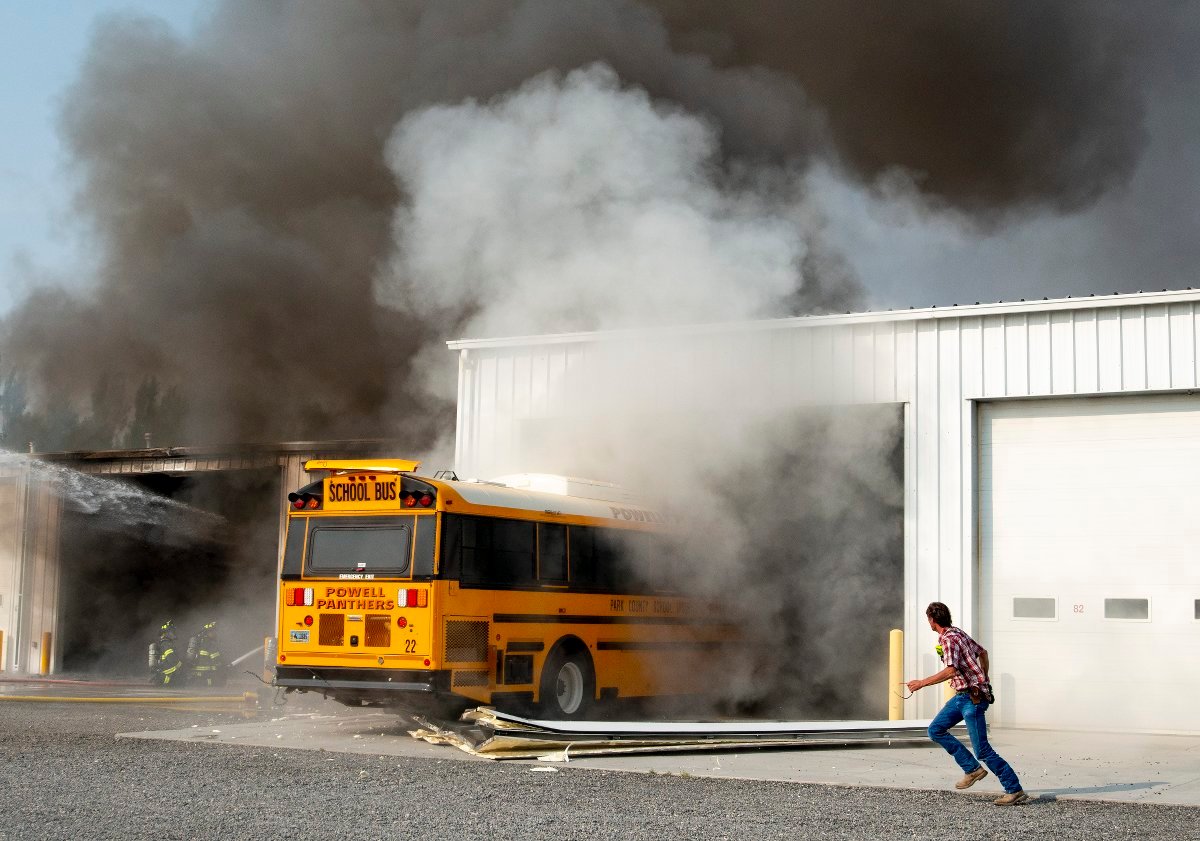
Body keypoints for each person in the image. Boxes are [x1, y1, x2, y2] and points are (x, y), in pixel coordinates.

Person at [906, 601, 1028, 806]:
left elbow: (950, 670)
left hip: (972, 699)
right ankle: (972, 770)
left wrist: (921, 683)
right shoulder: (957, 633)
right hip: (963, 696)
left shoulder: (948, 640)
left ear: (932, 620)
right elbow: (983, 653)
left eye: (928, 618)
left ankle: (1014, 789)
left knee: (983, 750)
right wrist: (984, 677)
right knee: (936, 729)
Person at [186, 620, 226, 687]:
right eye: (213, 631)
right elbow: (217, 660)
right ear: (208, 632)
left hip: (195, 677)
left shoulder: (199, 642)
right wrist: (223, 666)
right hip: (206, 677)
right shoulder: (210, 644)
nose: (215, 633)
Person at [149, 620, 185, 687]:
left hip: (164, 677)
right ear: (166, 633)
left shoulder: (164, 643)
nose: (173, 633)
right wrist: (183, 665)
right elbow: (172, 659)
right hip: (167, 678)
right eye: (172, 631)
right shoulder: (166, 644)